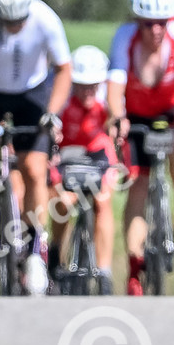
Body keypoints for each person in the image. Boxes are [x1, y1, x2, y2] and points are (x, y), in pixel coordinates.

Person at [0, 0, 73, 296]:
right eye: (7, 20)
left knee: (33, 169)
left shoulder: (45, 19)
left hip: (32, 93)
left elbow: (64, 69)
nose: (14, 26)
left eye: (20, 20)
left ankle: (33, 249)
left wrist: (52, 113)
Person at [110, 0, 174, 296]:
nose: (156, 30)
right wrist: (117, 117)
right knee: (138, 185)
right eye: (148, 24)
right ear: (137, 22)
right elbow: (115, 86)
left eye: (162, 23)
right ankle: (134, 267)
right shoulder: (125, 37)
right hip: (138, 114)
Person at [48, 44, 124, 295]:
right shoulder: (62, 100)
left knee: (102, 201)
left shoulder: (107, 101)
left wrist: (114, 169)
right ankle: (56, 252)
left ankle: (104, 272)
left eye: (93, 85)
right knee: (64, 202)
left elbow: (115, 138)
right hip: (67, 157)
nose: (87, 91)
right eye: (82, 85)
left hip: (98, 156)